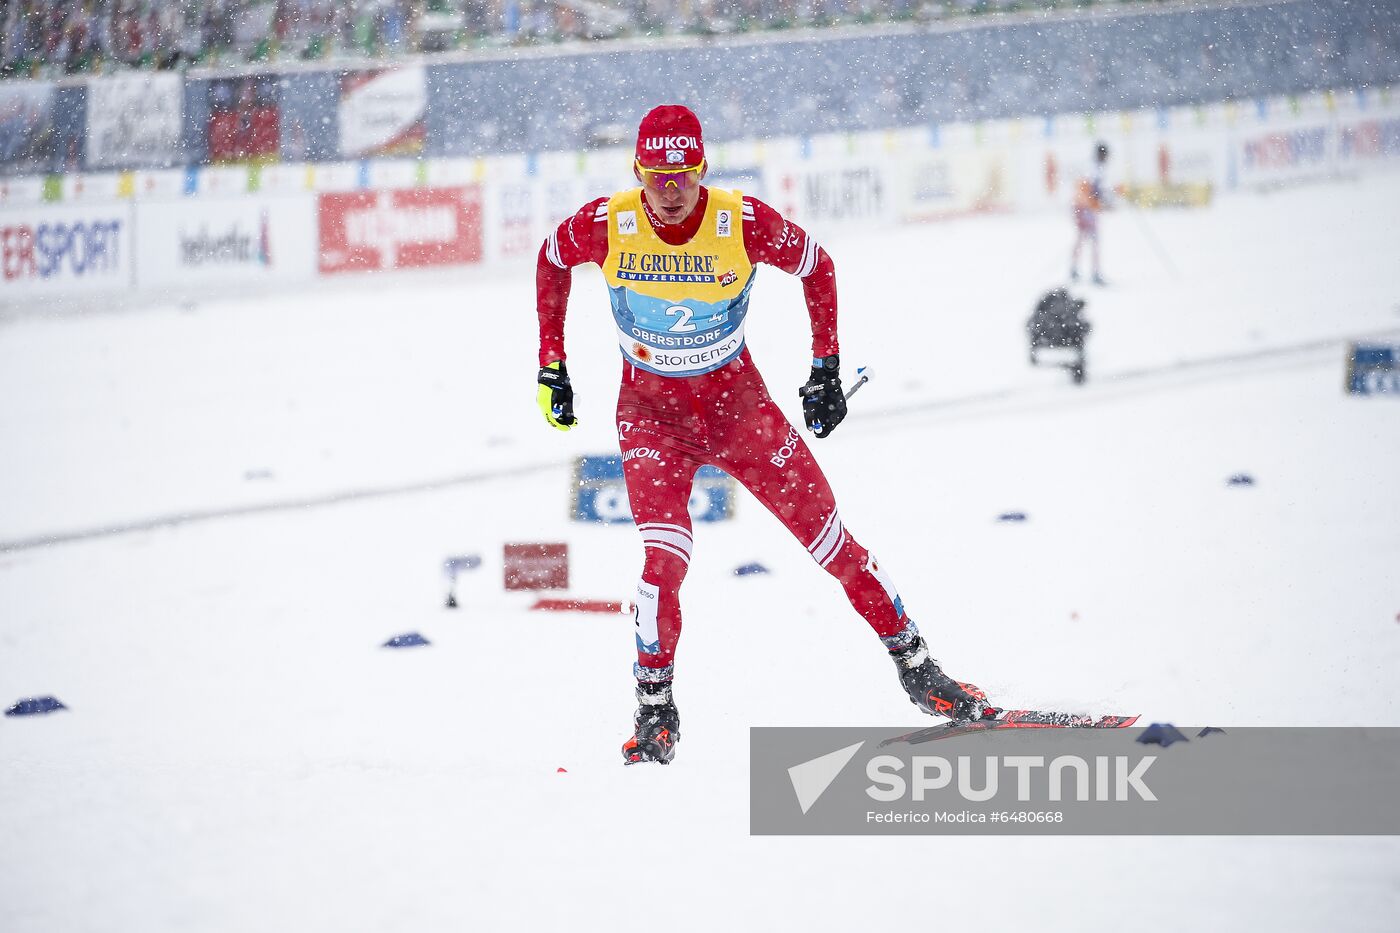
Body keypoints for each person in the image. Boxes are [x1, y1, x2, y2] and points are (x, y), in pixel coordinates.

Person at [534, 105, 996, 765]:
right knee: (664, 560)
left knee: (833, 542)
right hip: (651, 417)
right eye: (657, 176)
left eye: (683, 175)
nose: (670, 190)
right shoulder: (609, 223)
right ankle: (656, 712)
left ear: (702, 169)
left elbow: (818, 265)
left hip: (736, 407)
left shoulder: (739, 222)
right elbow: (551, 259)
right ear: (637, 170)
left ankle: (921, 671)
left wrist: (826, 369)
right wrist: (552, 364)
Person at [1070, 141, 1111, 285]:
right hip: (1085, 209)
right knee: (1091, 240)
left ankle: (1075, 269)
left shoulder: (1095, 168)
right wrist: (1096, 202)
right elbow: (1088, 190)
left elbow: (1096, 192)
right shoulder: (1094, 169)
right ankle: (1092, 272)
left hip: (1084, 208)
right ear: (1101, 155)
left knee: (1084, 239)